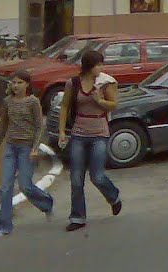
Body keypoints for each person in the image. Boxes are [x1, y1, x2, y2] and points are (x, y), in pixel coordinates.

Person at [57, 50, 122, 232]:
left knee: (97, 176)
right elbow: (64, 106)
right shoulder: (74, 83)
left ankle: (113, 196)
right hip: (79, 132)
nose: (101, 68)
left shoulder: (104, 83)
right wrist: (62, 131)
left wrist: (99, 100)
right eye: (98, 65)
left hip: (99, 132)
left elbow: (114, 104)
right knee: (76, 178)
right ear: (89, 66)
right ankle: (78, 217)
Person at [0, 69, 54, 236]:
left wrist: (35, 148)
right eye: (13, 83)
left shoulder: (32, 102)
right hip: (11, 147)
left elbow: (39, 126)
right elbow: (3, 125)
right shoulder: (7, 102)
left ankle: (46, 202)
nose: (16, 86)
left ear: (27, 84)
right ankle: (4, 226)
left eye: (20, 83)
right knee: (5, 187)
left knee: (25, 186)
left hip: (27, 148)